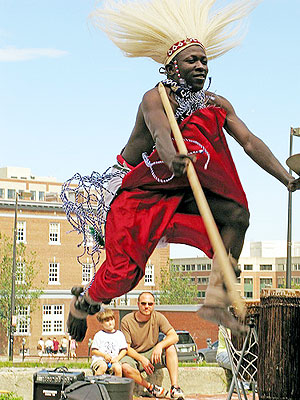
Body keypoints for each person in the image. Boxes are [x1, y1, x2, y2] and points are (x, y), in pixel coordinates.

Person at [65, 0, 300, 342]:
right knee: (124, 275)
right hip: (138, 192)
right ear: (172, 67)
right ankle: (85, 301)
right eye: (193, 60)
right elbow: (162, 133)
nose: (201, 66)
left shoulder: (214, 104)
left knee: (236, 215)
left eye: (205, 60)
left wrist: (286, 178)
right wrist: (173, 157)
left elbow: (249, 141)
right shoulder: (155, 98)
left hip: (179, 190)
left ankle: (217, 300)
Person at [120, 292, 184, 399]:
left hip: (152, 354)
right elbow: (126, 347)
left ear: (154, 304)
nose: (147, 307)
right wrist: (141, 359)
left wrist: (160, 346)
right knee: (124, 367)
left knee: (170, 347)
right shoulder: (127, 320)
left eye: (150, 304)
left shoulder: (158, 317)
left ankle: (175, 388)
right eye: (143, 303)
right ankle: (151, 388)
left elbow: (174, 336)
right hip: (134, 356)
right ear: (138, 304)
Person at [91, 309, 127, 377]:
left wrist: (117, 358)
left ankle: (117, 386)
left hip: (114, 361)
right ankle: (96, 384)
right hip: (100, 360)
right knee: (103, 366)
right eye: (107, 321)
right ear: (102, 323)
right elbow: (94, 351)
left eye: (112, 319)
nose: (110, 323)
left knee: (118, 368)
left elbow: (124, 350)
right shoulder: (99, 335)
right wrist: (104, 355)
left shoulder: (119, 334)